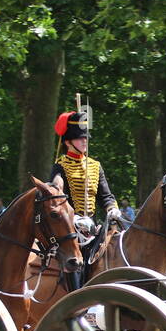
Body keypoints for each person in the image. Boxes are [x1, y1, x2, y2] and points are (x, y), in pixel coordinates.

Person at [49, 108, 120, 264]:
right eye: (79, 138)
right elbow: (56, 198)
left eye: (85, 138)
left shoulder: (95, 166)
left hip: (94, 228)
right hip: (71, 229)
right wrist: (73, 218)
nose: (84, 141)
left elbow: (105, 196)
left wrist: (112, 208)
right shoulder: (60, 166)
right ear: (68, 142)